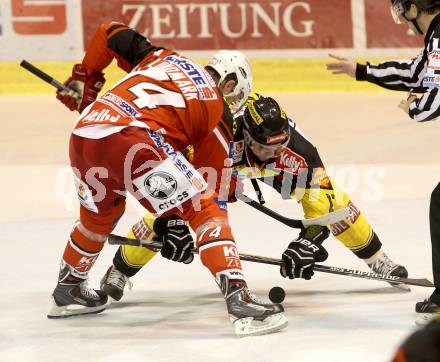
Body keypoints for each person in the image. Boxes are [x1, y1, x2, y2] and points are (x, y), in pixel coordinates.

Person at [48, 21, 291, 337]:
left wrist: (86, 77)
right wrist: (180, 219)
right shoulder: (218, 111)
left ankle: (69, 290)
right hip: (133, 139)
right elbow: (211, 190)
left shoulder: (163, 57)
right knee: (206, 208)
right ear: (230, 86)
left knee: (99, 218)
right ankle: (239, 299)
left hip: (85, 135)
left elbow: (108, 32)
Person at [100, 91, 409, 301]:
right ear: (245, 135)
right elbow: (173, 184)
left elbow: (327, 204)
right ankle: (119, 271)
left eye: (279, 146)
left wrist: (308, 241)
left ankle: (379, 261)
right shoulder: (218, 136)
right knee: (175, 209)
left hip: (266, 173)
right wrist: (172, 226)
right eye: (265, 148)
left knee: (335, 200)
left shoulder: (298, 152)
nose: (273, 153)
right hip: (223, 166)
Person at [326, 0, 440, 320]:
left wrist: (413, 108)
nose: (402, 17)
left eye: (404, 8)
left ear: (417, 8)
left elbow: (433, 100)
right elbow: (417, 72)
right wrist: (361, 71)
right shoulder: (436, 37)